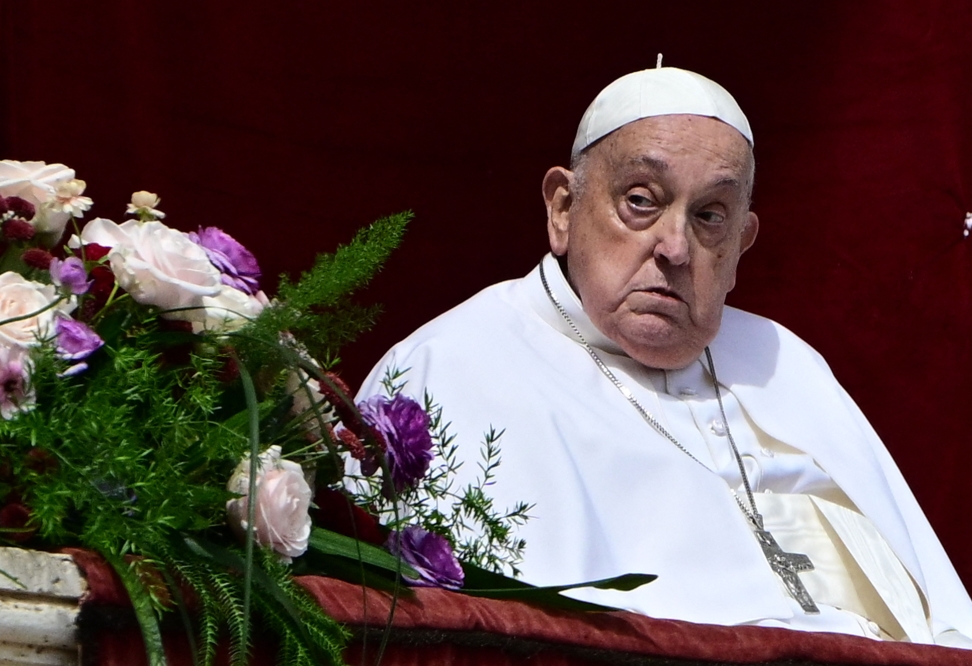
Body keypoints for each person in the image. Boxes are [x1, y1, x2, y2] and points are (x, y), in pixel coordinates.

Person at [356, 66, 972, 646]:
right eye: (642, 201)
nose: (674, 247)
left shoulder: (788, 363)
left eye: (709, 216)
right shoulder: (454, 366)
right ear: (563, 209)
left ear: (742, 244)